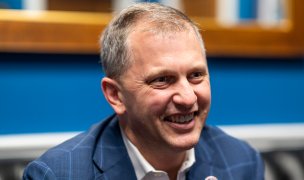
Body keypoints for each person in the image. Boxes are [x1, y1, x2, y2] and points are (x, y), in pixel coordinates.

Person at [23, 3, 264, 180]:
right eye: (162, 80)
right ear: (115, 95)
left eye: (196, 75)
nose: (188, 97)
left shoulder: (241, 161)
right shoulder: (56, 174)